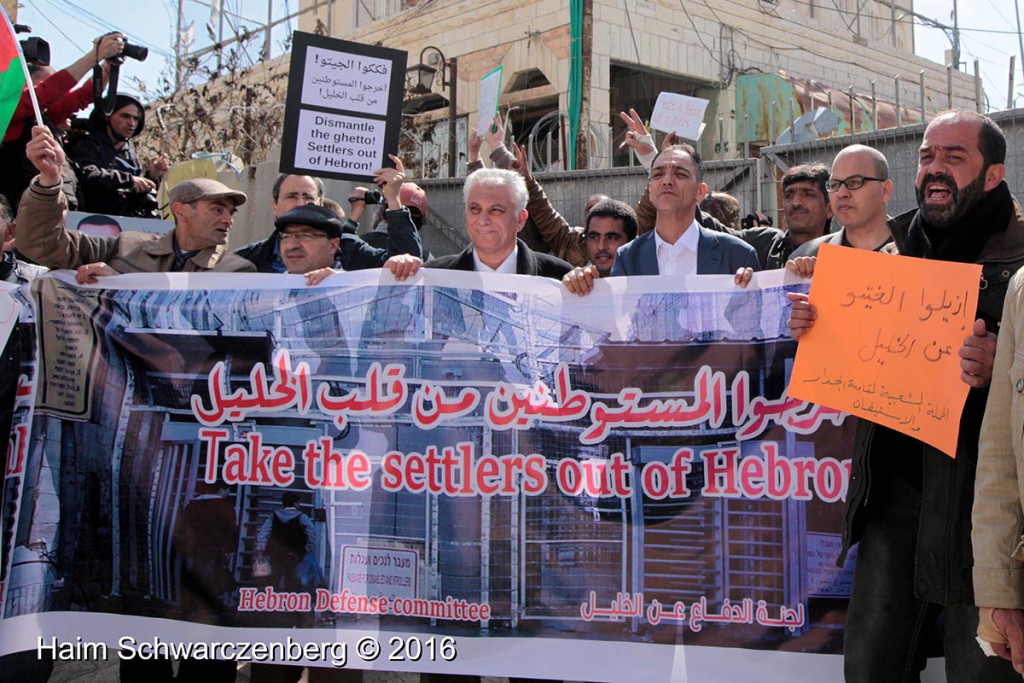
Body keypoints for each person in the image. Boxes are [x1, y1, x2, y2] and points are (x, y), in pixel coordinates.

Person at [789, 111, 1024, 682]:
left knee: (984, 672)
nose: (935, 170)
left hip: (983, 508)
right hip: (895, 499)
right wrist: (819, 329)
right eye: (926, 156)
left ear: (993, 175)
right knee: (872, 669)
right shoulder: (888, 251)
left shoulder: (1020, 259)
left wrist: (1010, 363)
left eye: (953, 157)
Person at [17, 127, 253, 279]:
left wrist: (120, 289)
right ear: (180, 210)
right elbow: (41, 245)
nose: (228, 220)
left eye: (230, 212)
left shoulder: (236, 271)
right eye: (217, 209)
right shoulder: (127, 248)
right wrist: (49, 179)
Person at [562, 144, 759, 296]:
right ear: (650, 190)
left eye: (680, 174)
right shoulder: (628, 258)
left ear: (700, 192)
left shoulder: (737, 255)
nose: (666, 181)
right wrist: (580, 286)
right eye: (657, 175)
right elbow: (619, 331)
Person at [236, 164, 421, 272]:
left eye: (308, 197)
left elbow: (405, 264)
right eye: (292, 196)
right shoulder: (248, 261)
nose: (301, 204)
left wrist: (393, 199)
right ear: (274, 205)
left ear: (320, 204)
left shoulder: (347, 249)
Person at [67, 93, 167, 217]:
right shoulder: (88, 144)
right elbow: (88, 175)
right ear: (107, 117)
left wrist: (152, 176)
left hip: (125, 224)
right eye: (125, 116)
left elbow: (135, 193)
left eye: (135, 119)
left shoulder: (130, 153)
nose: (131, 123)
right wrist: (128, 180)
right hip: (90, 222)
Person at [790, 146, 892, 259]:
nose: (841, 193)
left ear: (885, 190)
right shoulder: (808, 259)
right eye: (834, 184)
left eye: (854, 182)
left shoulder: (912, 250)